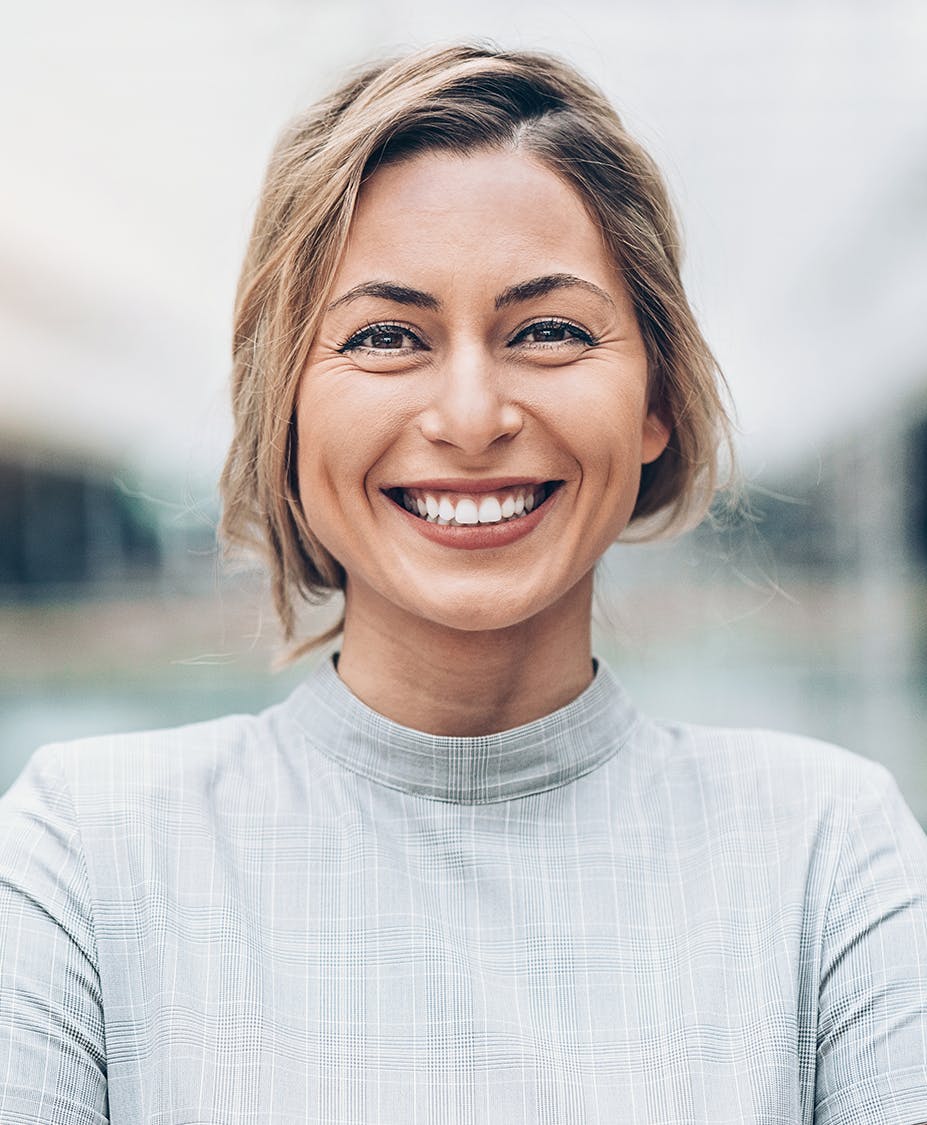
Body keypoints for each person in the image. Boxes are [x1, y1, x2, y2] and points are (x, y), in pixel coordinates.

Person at [1, 43, 925, 1124]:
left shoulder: (830, 854)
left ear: (655, 400)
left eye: (548, 331)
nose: (473, 415)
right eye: (387, 337)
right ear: (283, 405)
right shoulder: (81, 855)